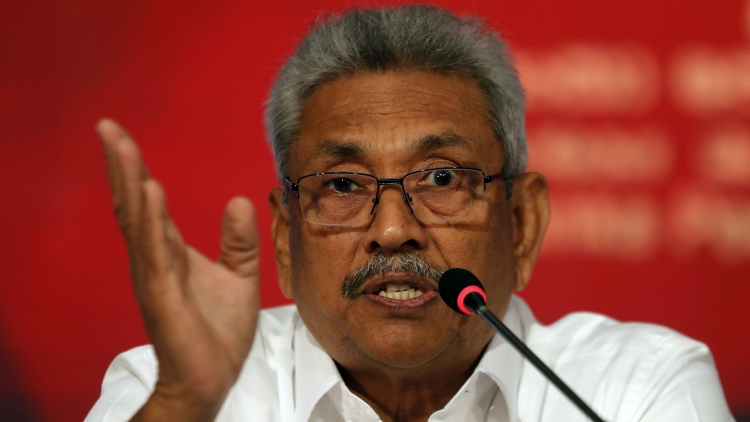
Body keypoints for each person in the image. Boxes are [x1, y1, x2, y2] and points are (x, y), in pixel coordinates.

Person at [85, 5, 734, 422]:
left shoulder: (635, 388)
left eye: (442, 178)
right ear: (286, 237)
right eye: (343, 184)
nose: (393, 230)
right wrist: (182, 407)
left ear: (522, 224)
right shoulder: (176, 390)